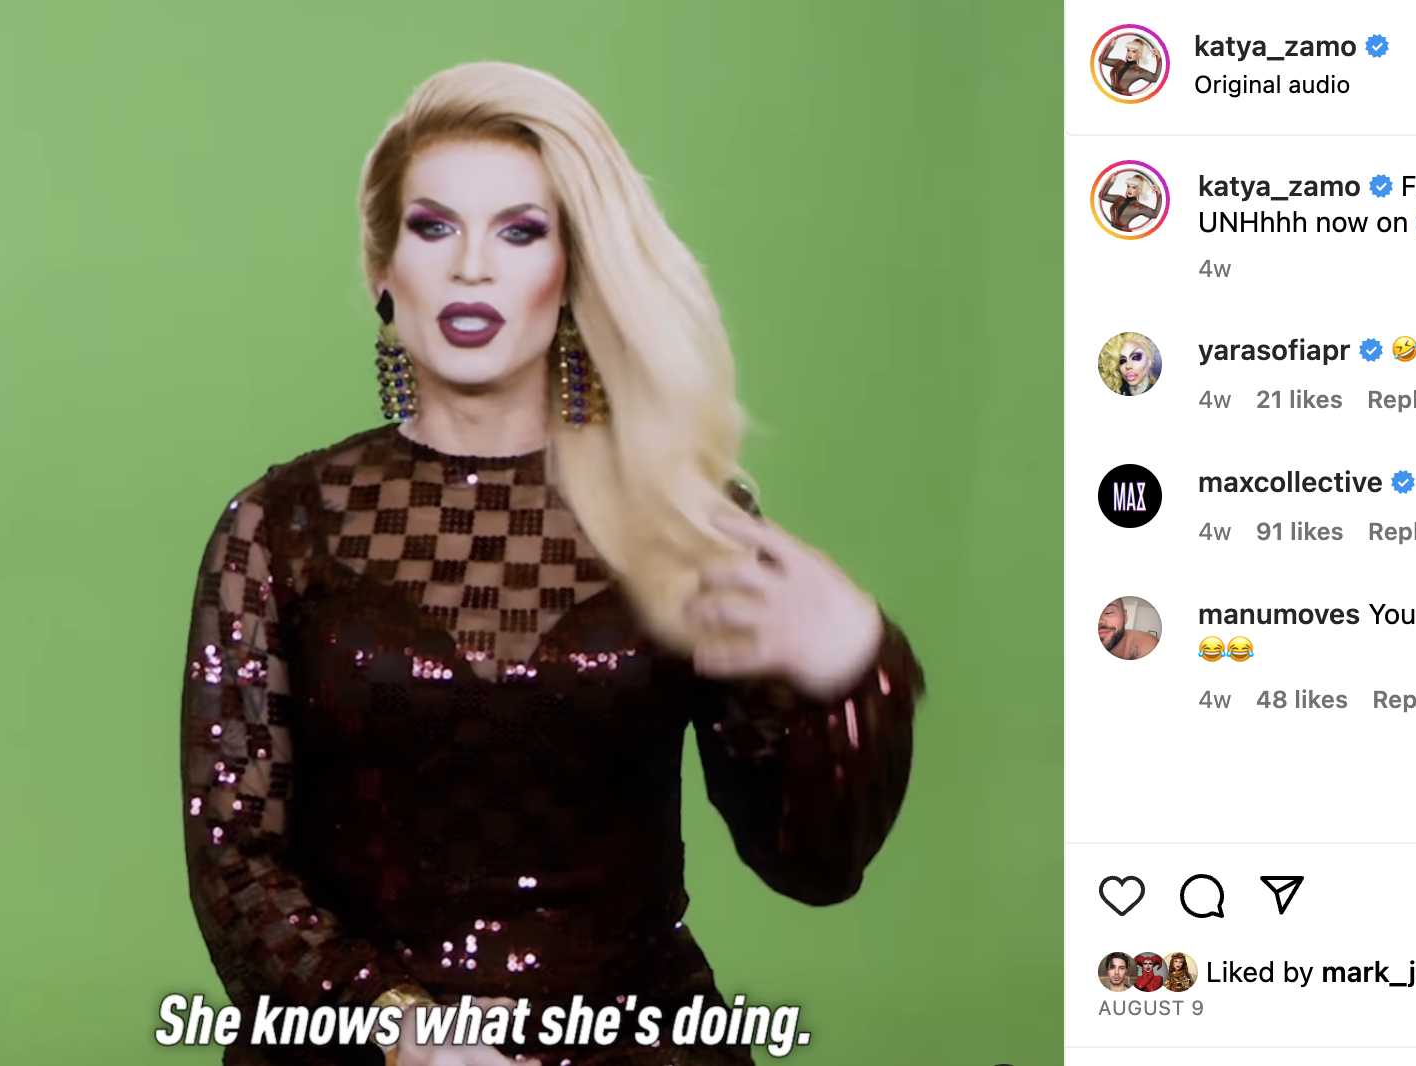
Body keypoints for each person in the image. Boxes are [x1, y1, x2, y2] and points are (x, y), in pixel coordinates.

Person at [179, 62, 925, 1066]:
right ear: (382, 269)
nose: (471, 268)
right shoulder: (280, 525)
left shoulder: (681, 519)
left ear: (573, 270)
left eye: (520, 232)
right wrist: (406, 1032)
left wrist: (851, 673)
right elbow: (236, 866)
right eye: (434, 228)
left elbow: (814, 865)